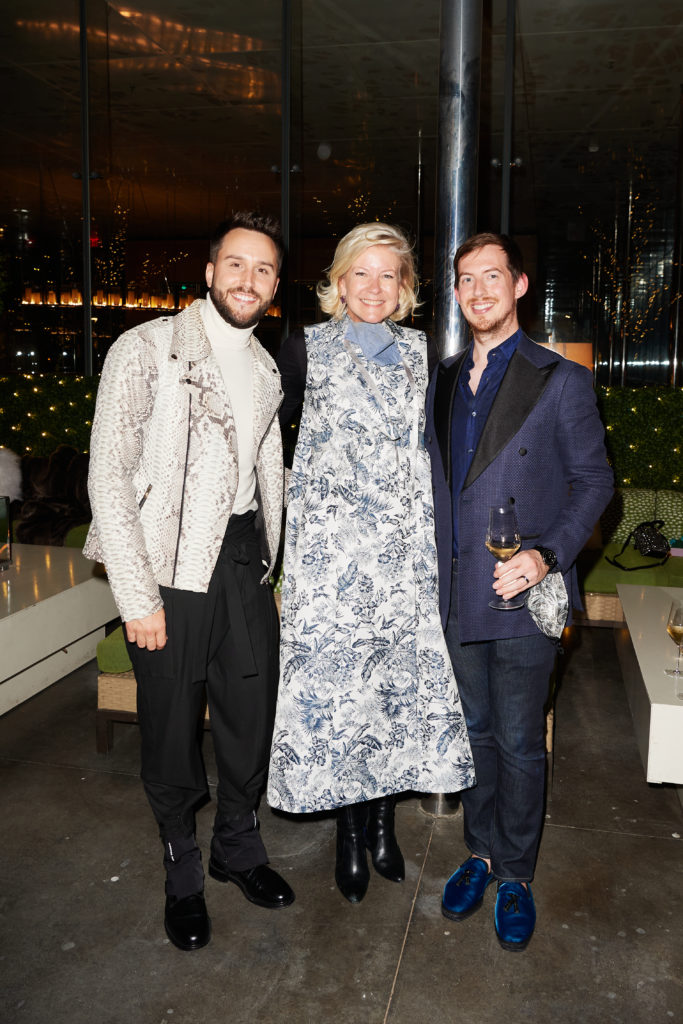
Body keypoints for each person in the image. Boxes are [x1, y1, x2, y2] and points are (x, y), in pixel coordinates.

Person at [84, 211, 295, 952]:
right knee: (172, 730)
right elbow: (107, 475)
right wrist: (137, 597)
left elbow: (268, 471)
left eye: (263, 269)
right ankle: (180, 870)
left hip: (242, 560)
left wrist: (279, 559)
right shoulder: (144, 349)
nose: (248, 280)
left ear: (275, 284)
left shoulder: (267, 366)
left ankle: (236, 845)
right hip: (167, 568)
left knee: (250, 711)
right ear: (209, 273)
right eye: (235, 265)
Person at [267, 222, 475, 903]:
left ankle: (383, 825)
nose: (374, 287)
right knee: (340, 695)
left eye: (389, 275)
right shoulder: (305, 347)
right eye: (362, 272)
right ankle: (349, 836)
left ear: (405, 288)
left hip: (402, 560)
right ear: (338, 280)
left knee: (392, 693)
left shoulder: (425, 356)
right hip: (330, 564)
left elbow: (441, 453)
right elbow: (272, 448)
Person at [425, 232, 613, 951]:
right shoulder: (442, 378)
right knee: (473, 736)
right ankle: (477, 852)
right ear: (456, 291)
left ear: (519, 285)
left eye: (491, 277)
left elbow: (595, 483)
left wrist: (544, 555)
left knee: (518, 742)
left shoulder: (557, 378)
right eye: (466, 280)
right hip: (454, 595)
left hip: (518, 591)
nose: (478, 291)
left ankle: (515, 875)